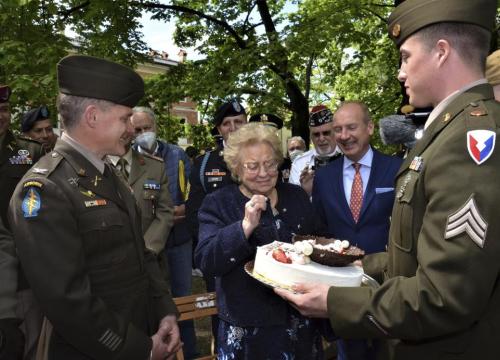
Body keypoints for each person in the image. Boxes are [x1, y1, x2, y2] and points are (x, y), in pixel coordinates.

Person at [275, 0, 500, 359]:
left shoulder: (469, 140)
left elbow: (444, 296)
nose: (400, 72)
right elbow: (418, 254)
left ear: (441, 52)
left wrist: (334, 302)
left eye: (406, 57)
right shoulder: (448, 132)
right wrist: (358, 264)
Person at [8, 55, 181, 360]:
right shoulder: (46, 189)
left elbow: (141, 254)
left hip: (142, 330)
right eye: (124, 118)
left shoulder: (108, 173)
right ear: (92, 117)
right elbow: (68, 301)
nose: (131, 128)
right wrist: (140, 349)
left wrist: (165, 312)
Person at [195, 123, 324, 359]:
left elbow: (317, 243)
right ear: (236, 168)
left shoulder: (295, 196)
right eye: (253, 166)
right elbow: (206, 260)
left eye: (270, 163)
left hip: (299, 324)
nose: (264, 173)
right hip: (247, 330)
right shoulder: (218, 203)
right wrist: (244, 228)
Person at [312, 101, 402, 359]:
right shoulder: (324, 177)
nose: (344, 136)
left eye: (351, 127)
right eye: (337, 129)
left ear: (370, 127)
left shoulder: (397, 169)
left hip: (389, 284)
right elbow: (320, 229)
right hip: (344, 288)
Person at [130, 106, 196, 359]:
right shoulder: (129, 159)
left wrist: (185, 209)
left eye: (148, 128)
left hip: (178, 240)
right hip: (148, 244)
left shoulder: (177, 154)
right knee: (153, 302)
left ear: (155, 127)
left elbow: (191, 191)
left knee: (182, 299)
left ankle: (188, 351)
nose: (144, 133)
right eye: (138, 130)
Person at [185, 99, 247, 345]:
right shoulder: (204, 164)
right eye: (227, 123)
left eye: (238, 122)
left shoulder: (264, 157)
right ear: (219, 129)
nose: (233, 128)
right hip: (220, 256)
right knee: (222, 316)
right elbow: (193, 213)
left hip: (259, 252)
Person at [0, 84, 44, 360]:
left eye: (3, 110)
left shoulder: (30, 153)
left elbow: (40, 212)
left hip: (22, 274)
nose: (0, 116)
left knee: (28, 345)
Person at [108, 134, 174, 257]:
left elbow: (165, 212)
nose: (122, 130)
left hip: (151, 259)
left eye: (126, 121)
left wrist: (148, 248)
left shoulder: (155, 167)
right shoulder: (93, 167)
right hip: (110, 261)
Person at [289, 105, 341, 192]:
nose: (321, 139)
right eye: (316, 134)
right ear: (311, 137)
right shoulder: (299, 163)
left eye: (326, 133)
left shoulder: (348, 156)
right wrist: (306, 191)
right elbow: (294, 201)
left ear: (335, 132)